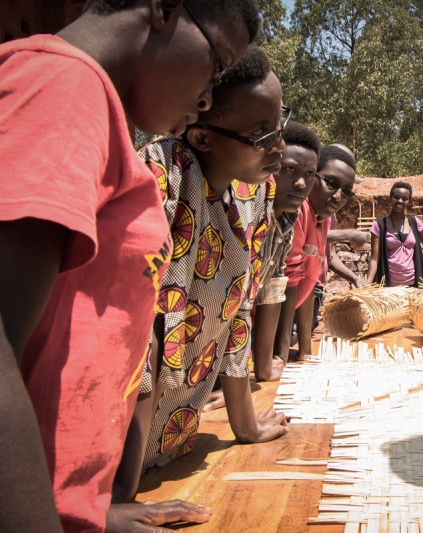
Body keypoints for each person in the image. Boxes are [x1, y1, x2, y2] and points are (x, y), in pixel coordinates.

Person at [0, 1, 257, 531]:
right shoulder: (57, 86)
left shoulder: (88, 105)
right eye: (215, 64)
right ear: (162, 9)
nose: (206, 97)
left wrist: (88, 512)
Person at [109, 45, 289, 524]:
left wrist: (245, 424)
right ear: (203, 137)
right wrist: (118, 500)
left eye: (280, 127)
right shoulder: (159, 175)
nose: (279, 148)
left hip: (171, 441)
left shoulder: (255, 191)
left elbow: (237, 309)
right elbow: (138, 333)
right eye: (260, 134)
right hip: (111, 454)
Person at [251, 121, 321, 382]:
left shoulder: (287, 220)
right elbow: (232, 301)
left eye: (310, 174)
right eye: (290, 169)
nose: (302, 183)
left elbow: (272, 288)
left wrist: (265, 367)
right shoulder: (249, 211)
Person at [276, 145, 358, 361]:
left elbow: (309, 282)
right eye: (331, 183)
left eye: (347, 192)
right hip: (264, 327)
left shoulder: (323, 218)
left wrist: (305, 351)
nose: (338, 196)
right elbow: (289, 281)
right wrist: (281, 355)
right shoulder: (299, 210)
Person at [366, 182, 423, 287]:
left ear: (410, 201)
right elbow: (374, 259)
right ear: (390, 198)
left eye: (405, 198)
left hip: (413, 284)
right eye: (396, 197)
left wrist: (416, 257)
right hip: (388, 286)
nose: (400, 201)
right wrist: (366, 286)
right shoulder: (379, 226)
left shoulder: (414, 222)